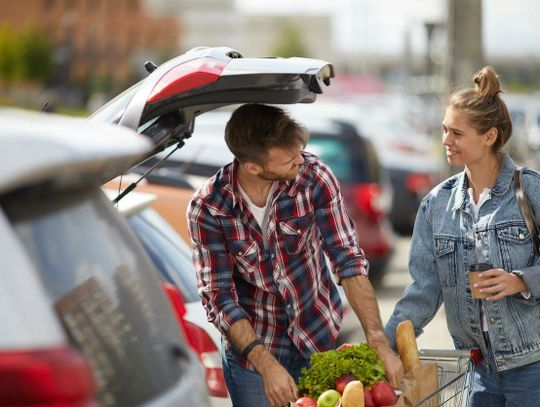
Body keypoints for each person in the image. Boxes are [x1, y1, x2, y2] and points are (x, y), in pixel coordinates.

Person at [188, 103, 403, 407]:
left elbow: (348, 259)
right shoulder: (209, 207)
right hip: (254, 352)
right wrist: (266, 365)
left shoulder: (314, 177)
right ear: (253, 167)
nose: (300, 161)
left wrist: (377, 339)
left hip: (316, 335)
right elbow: (219, 296)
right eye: (289, 159)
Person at [385, 66, 540, 406]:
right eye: (444, 130)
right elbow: (423, 291)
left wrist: (522, 281)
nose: (445, 140)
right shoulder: (436, 205)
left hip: (533, 367)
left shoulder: (530, 190)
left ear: (490, 136)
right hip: (478, 371)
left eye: (456, 133)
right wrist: (382, 347)